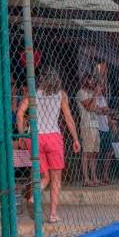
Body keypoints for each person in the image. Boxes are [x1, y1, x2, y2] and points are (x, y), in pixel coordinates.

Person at [17, 66, 81, 223]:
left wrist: (21, 135)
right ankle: (53, 214)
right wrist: (75, 138)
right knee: (56, 178)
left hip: (35, 136)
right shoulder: (61, 95)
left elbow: (19, 113)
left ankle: (33, 196)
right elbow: (68, 118)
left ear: (41, 79)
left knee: (43, 175)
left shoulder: (32, 94)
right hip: (53, 136)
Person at [77, 75, 110, 187]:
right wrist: (95, 95)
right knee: (87, 152)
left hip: (95, 125)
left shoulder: (92, 94)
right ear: (84, 80)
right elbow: (90, 108)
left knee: (94, 153)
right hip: (87, 125)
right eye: (90, 79)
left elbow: (98, 110)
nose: (92, 82)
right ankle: (86, 179)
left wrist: (103, 109)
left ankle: (94, 178)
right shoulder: (81, 93)